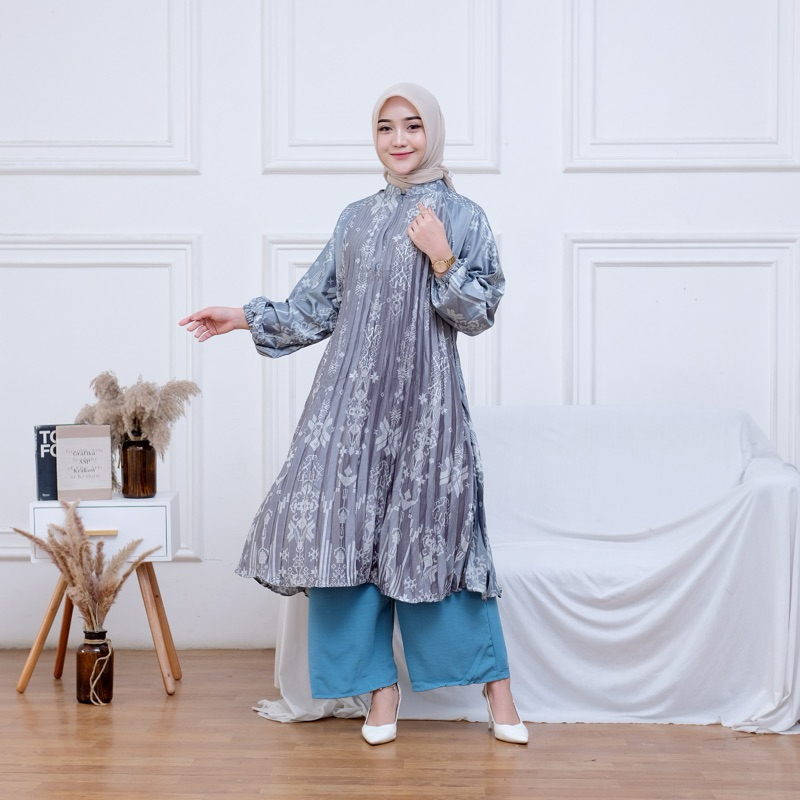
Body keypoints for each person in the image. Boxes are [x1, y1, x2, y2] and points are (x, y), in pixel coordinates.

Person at [180, 83, 528, 746]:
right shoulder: (356, 219)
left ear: (433, 133)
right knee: (339, 540)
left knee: (436, 541)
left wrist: (441, 255)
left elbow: (478, 314)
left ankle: (497, 689)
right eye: (385, 127)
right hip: (349, 408)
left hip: (426, 409)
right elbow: (315, 307)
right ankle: (377, 691)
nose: (399, 140)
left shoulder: (463, 217)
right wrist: (241, 316)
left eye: (412, 126)